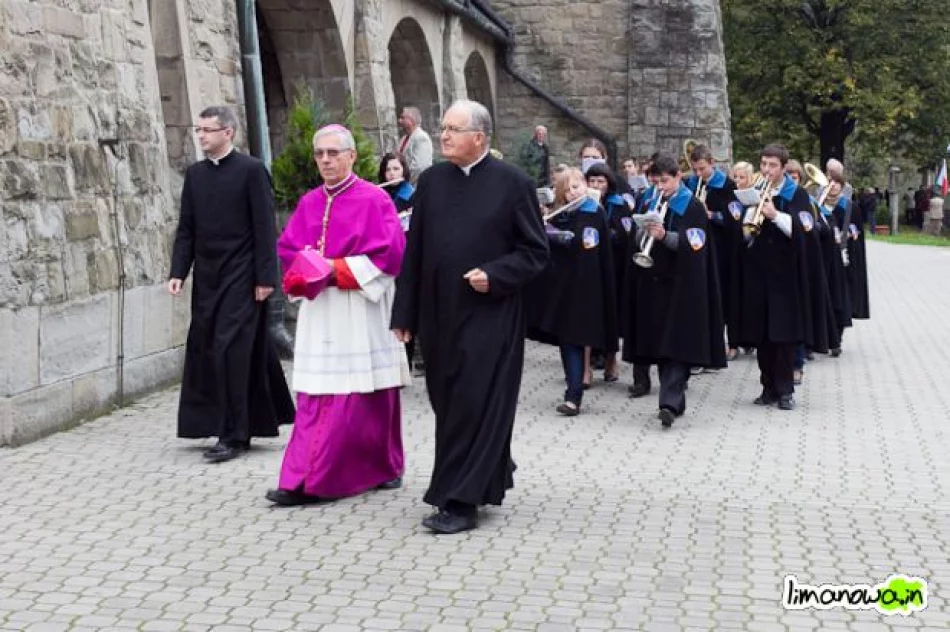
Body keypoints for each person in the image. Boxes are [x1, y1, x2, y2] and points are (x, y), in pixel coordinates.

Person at [391, 100, 549, 534]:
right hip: (439, 316)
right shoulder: (431, 182)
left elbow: (535, 252)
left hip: (490, 316)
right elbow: (415, 252)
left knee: (474, 402)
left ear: (478, 137)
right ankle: (489, 467)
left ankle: (460, 501)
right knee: (447, 402)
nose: (443, 135)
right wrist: (404, 313)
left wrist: (496, 275)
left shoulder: (513, 184)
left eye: (453, 129)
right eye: (442, 127)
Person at [265, 124, 410, 506]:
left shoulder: (375, 200)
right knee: (319, 394)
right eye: (320, 154)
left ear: (351, 156)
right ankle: (305, 477)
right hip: (321, 308)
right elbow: (287, 248)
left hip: (359, 307)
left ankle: (383, 465)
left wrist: (335, 269)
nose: (326, 160)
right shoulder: (309, 202)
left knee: (370, 394)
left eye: (333, 153)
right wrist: (307, 268)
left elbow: (391, 254)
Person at [168, 105, 294, 463]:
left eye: (207, 130)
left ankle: (235, 434)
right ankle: (221, 422)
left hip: (243, 276)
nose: (201, 136)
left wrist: (266, 279)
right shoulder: (195, 175)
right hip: (208, 277)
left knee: (231, 351)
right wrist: (178, 271)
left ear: (228, 132)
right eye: (199, 130)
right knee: (210, 349)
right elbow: (187, 228)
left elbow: (265, 227)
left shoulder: (251, 171)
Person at [624, 154, 726, 428]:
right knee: (661, 344)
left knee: (678, 345)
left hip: (682, 284)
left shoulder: (692, 206)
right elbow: (635, 238)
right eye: (656, 182)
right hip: (653, 282)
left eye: (665, 181)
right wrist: (642, 232)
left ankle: (668, 403)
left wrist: (664, 236)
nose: (660, 187)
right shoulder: (649, 201)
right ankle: (674, 401)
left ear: (678, 177)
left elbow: (695, 244)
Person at [526, 168, 617, 416]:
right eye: (567, 191)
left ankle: (576, 391)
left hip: (588, 287)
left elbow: (595, 249)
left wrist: (566, 239)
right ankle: (572, 394)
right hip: (565, 288)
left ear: (585, 185)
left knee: (577, 337)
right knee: (568, 340)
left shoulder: (594, 212)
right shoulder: (562, 215)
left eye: (576, 187)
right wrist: (546, 228)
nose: (572, 193)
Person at [735, 144, 810, 411]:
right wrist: (748, 219)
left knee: (784, 335)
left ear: (783, 167)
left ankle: (785, 389)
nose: (767, 170)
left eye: (773, 165)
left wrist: (775, 215)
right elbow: (744, 235)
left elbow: (804, 230)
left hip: (785, 274)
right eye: (764, 164)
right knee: (762, 334)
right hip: (758, 272)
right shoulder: (754, 191)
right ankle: (767, 387)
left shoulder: (796, 194)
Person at [687, 144, 743, 362]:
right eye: (695, 169)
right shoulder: (691, 183)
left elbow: (734, 218)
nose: (699, 174)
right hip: (700, 246)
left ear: (712, 163)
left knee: (727, 295)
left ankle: (733, 342)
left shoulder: (728, 186)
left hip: (723, 248)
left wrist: (710, 214)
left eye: (702, 169)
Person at [585, 162, 631, 382]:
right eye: (592, 181)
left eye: (600, 181)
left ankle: (611, 359)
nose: (596, 185)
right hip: (589, 266)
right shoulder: (582, 203)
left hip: (613, 266)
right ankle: (587, 364)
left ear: (608, 183)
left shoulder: (618, 204)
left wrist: (605, 232)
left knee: (612, 313)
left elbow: (624, 233)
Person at [396, 106, 433, 182]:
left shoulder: (421, 137)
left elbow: (420, 167)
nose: (399, 121)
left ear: (411, 120)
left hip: (417, 185)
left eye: (403, 118)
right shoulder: (404, 138)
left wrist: (403, 181)